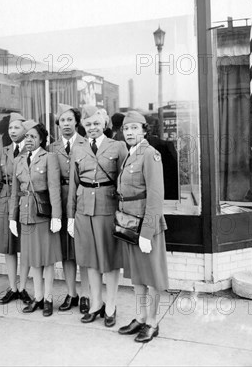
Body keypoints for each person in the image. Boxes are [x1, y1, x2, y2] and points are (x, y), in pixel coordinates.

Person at [66, 105, 128, 327]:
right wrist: (70, 216)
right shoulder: (78, 148)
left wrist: (124, 211)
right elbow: (73, 184)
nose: (92, 127)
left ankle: (110, 305)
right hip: (83, 209)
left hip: (108, 208)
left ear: (105, 124)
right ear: (83, 125)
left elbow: (124, 182)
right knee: (89, 258)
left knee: (110, 259)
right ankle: (96, 304)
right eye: (88, 124)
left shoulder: (118, 146)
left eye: (96, 123)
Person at [116, 110, 169, 343]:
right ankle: (140, 316)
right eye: (126, 129)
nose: (129, 132)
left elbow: (156, 196)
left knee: (153, 275)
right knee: (138, 275)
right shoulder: (131, 154)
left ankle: (153, 322)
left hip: (146, 227)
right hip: (129, 223)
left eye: (134, 128)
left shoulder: (150, 154)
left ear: (144, 130)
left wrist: (147, 233)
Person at [9, 121, 62, 316]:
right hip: (25, 215)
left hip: (43, 214)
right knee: (32, 259)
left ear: (41, 139)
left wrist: (57, 216)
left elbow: (54, 189)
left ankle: (48, 298)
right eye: (27, 136)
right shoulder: (19, 160)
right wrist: (12, 218)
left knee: (47, 259)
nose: (29, 139)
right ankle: (37, 298)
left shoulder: (49, 158)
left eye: (33, 136)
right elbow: (15, 192)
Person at [48, 103, 90, 314]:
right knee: (66, 250)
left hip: (81, 198)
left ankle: (86, 294)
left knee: (82, 249)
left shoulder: (86, 143)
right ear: (58, 124)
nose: (66, 124)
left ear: (76, 122)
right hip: (61, 200)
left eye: (69, 120)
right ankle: (71, 293)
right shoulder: (52, 148)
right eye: (62, 120)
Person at [0, 112, 32, 305]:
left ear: (25, 130)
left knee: (24, 246)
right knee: (9, 246)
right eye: (10, 128)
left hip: (25, 199)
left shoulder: (31, 149)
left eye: (17, 127)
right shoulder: (4, 150)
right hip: (5, 199)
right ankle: (13, 287)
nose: (13, 131)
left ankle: (24, 287)